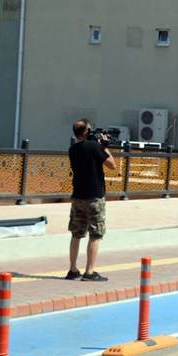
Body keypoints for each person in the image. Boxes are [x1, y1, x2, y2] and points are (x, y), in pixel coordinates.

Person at [66, 119, 117, 282]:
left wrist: (98, 143)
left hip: (78, 196)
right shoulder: (95, 147)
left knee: (76, 234)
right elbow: (112, 165)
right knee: (95, 234)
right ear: (87, 131)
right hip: (94, 196)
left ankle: (73, 270)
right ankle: (89, 272)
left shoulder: (72, 149)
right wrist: (105, 146)